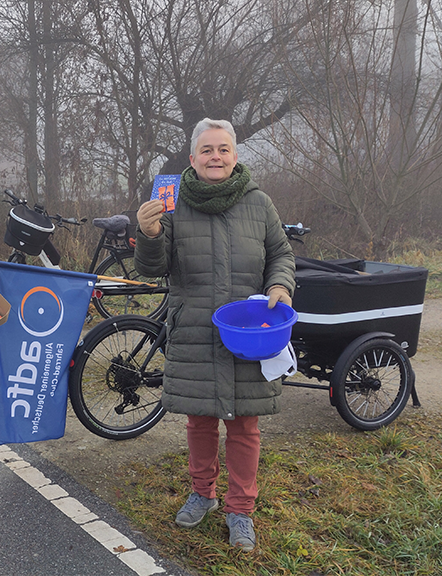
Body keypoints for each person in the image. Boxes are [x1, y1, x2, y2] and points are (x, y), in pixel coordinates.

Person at [134, 118, 295, 552]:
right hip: (195, 330)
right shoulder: (171, 203)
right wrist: (148, 235)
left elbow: (280, 252)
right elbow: (152, 268)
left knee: (245, 424)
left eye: (223, 149)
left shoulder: (259, 203)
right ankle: (202, 493)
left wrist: (280, 286)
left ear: (236, 156)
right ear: (192, 159)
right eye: (207, 150)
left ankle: (240, 511)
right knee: (200, 419)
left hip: (250, 331)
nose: (216, 157)